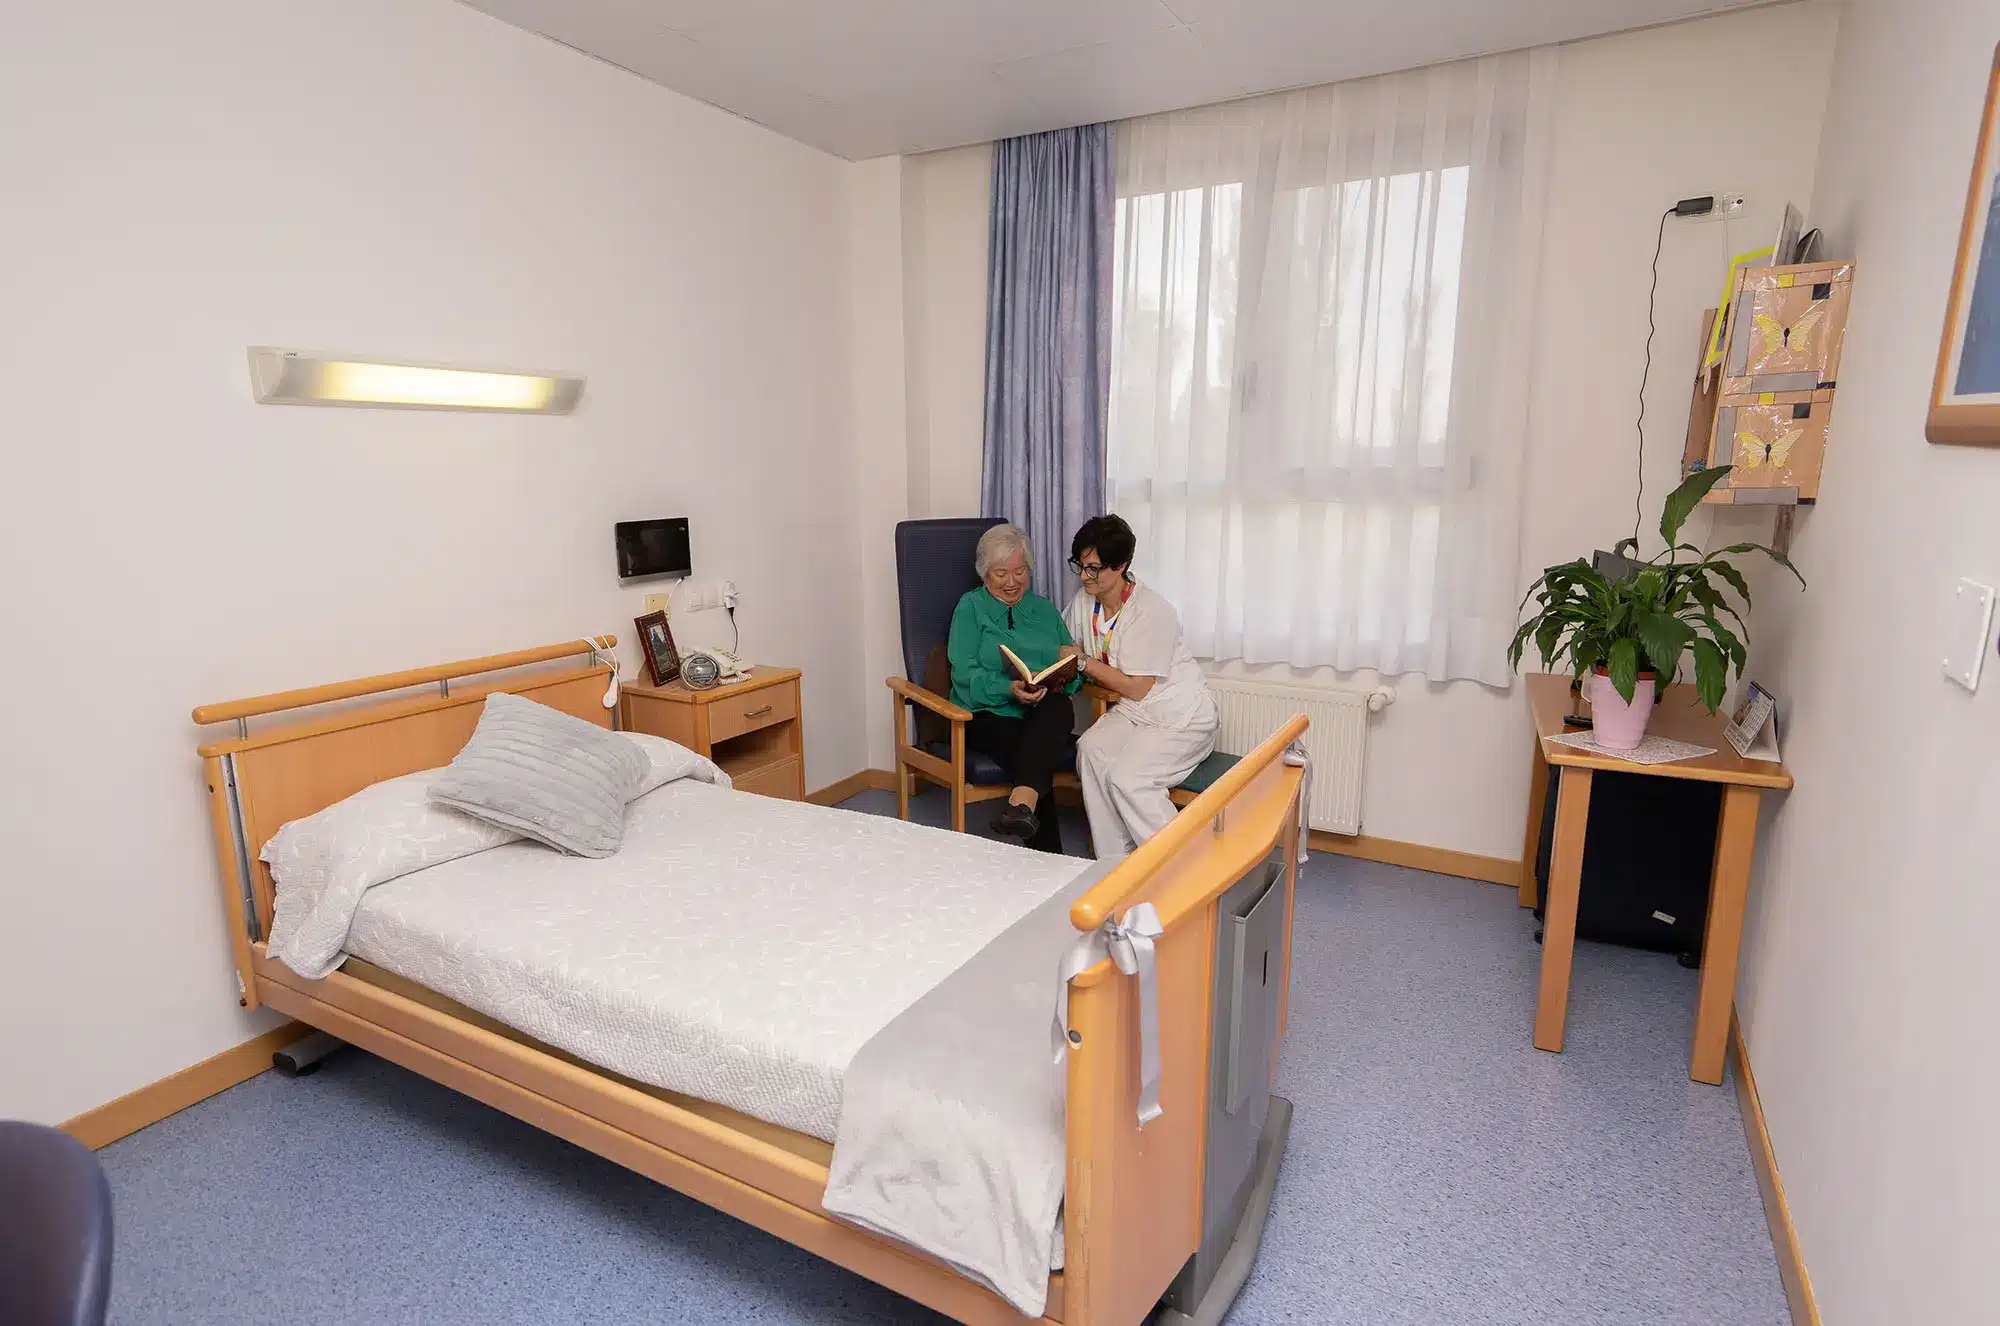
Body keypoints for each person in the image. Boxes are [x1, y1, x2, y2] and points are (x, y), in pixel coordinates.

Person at [1061, 514, 1219, 861]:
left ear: (1121, 567)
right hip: (1135, 712)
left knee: (1129, 779)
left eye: (1094, 569)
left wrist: (1084, 662)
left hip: (1180, 714)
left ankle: (1180, 866)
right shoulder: (1084, 602)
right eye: (1080, 566)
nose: (1084, 576)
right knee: (1090, 749)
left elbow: (1137, 688)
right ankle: (1115, 864)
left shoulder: (1152, 611)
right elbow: (1064, 641)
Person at [946, 524, 1081, 852]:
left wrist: (1062, 676)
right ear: (984, 574)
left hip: (1040, 710)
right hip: (984, 714)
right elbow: (964, 673)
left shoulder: (1044, 610)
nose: (1011, 582)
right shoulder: (970, 607)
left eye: (1019, 572)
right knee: (1033, 746)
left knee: (1058, 708)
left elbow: (1073, 667)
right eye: (1001, 573)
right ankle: (1049, 854)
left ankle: (1020, 807)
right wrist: (1009, 688)